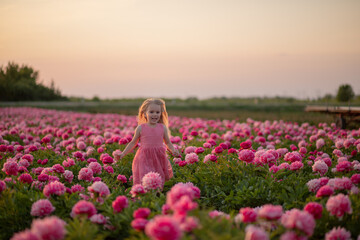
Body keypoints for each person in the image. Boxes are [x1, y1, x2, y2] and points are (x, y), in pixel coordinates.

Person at [119, 98, 179, 186]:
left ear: (161, 114)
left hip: (159, 157)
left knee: (158, 178)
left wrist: (173, 150)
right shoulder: (140, 128)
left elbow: (168, 142)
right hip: (144, 157)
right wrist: (123, 153)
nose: (155, 115)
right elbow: (133, 143)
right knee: (145, 178)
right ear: (145, 113)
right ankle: (144, 196)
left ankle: (156, 196)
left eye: (157, 112)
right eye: (151, 112)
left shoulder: (162, 128)